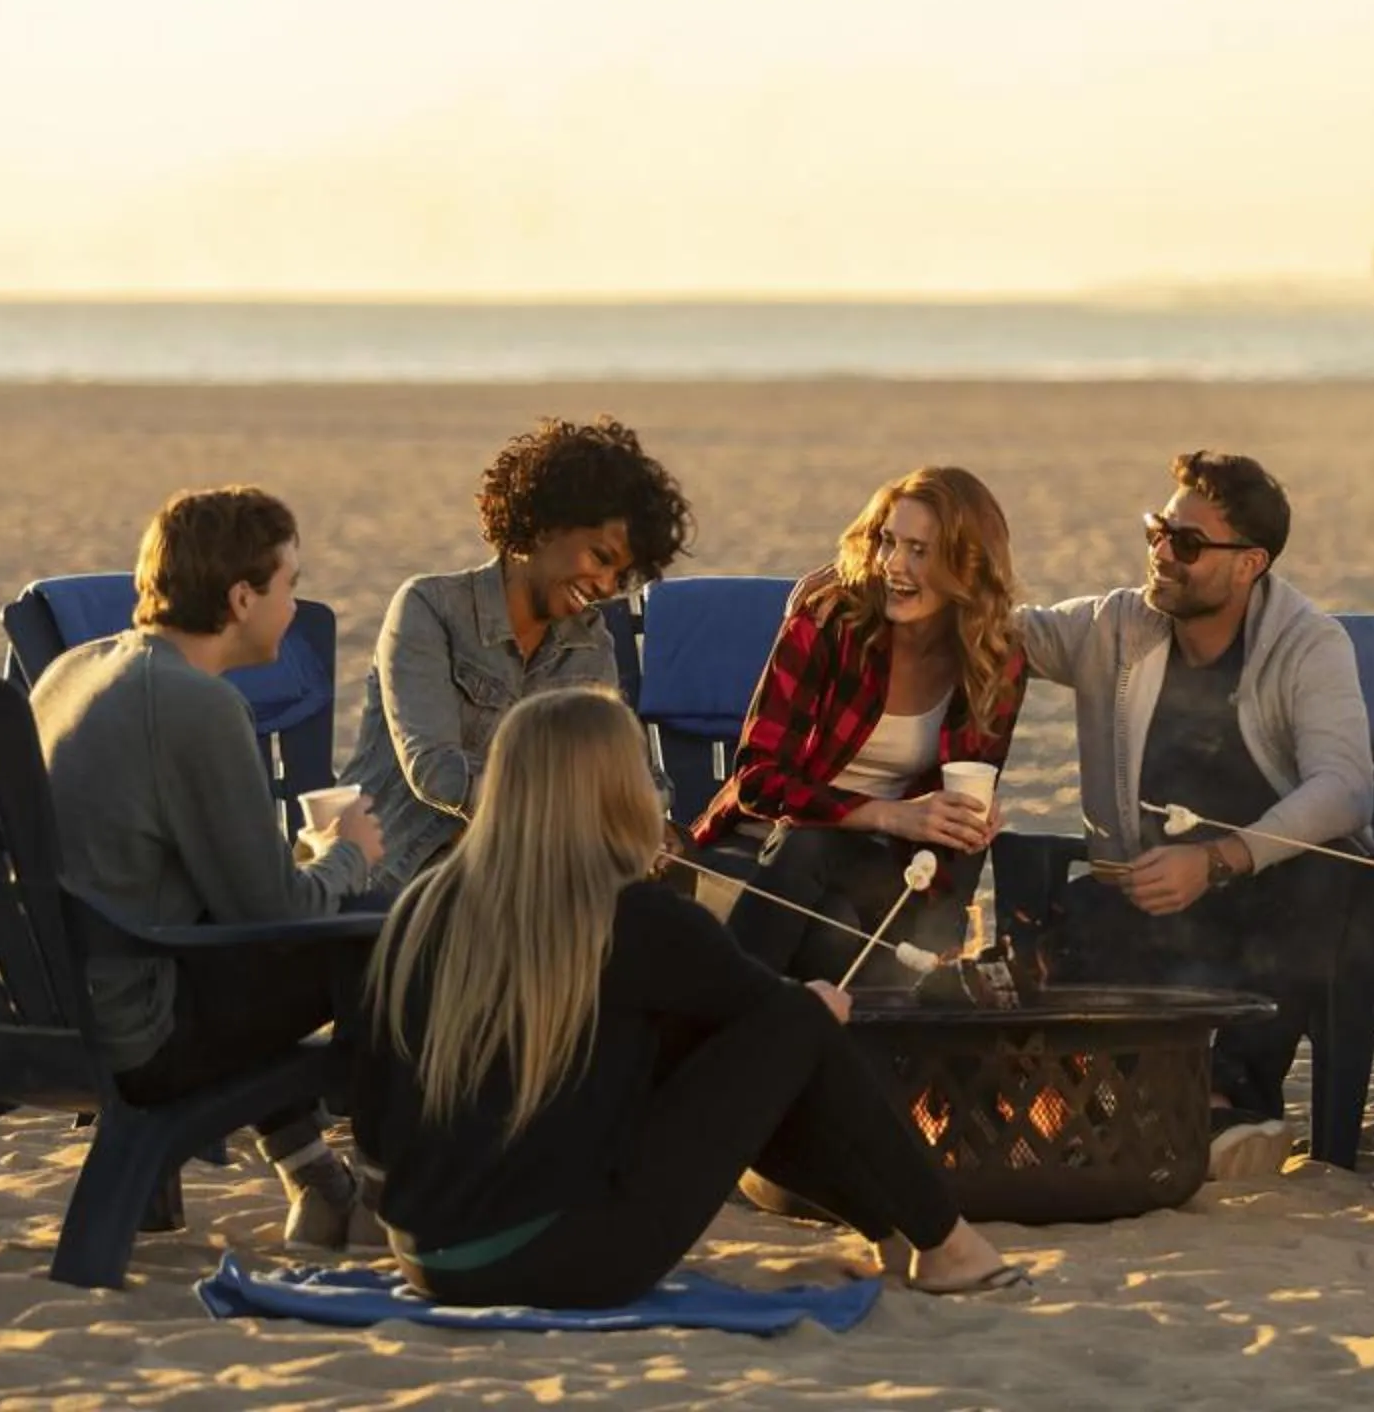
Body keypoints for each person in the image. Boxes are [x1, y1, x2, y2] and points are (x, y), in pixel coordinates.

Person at [347, 687, 1024, 1304]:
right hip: (557, 1261)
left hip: (426, 1257)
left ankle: (895, 1233)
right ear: (615, 794)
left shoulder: (426, 907)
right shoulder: (633, 916)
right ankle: (946, 1242)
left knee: (737, 1030)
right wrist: (816, 1011)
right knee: (794, 1017)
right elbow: (781, 1030)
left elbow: (372, 1116)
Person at [34, 486, 386, 1248]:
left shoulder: (71, 671)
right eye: (289, 584)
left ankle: (318, 1179)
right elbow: (275, 918)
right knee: (389, 935)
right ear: (240, 597)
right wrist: (347, 852)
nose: (295, 605)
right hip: (138, 1034)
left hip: (43, 1006)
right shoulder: (195, 703)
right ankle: (379, 1193)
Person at [1016, 451, 1373, 1181]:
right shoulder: (1120, 625)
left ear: (1250, 564)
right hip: (1148, 897)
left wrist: (1215, 861)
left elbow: (1342, 788)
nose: (1161, 556)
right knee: (1077, 910)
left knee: (1322, 880)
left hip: (1263, 894)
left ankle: (1225, 1103)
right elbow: (1011, 635)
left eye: (1185, 544)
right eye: (1157, 531)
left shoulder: (1309, 643)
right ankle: (1115, 1106)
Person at [689, 468, 1025, 984]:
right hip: (768, 844)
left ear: (966, 566)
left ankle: (719, 1034)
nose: (893, 565)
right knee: (827, 907)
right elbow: (758, 780)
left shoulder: (994, 661)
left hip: (883, 864)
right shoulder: (829, 624)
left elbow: (957, 803)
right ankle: (732, 1022)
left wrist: (969, 823)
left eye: (919, 550)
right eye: (888, 542)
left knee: (850, 929)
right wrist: (886, 815)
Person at [339, 416, 693, 896]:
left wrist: (650, 822)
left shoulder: (588, 639)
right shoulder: (430, 607)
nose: (608, 587)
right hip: (405, 881)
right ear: (547, 526)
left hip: (523, 885)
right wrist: (560, 819)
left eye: (622, 574)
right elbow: (436, 772)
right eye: (600, 558)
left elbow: (629, 767)